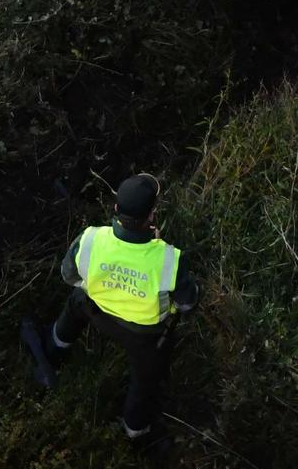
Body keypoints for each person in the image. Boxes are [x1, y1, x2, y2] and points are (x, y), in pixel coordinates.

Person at [41, 173, 198, 442]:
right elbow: (187, 303)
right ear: (152, 215)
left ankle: (54, 351)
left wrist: (106, 289)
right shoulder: (168, 259)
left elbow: (69, 276)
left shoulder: (91, 239)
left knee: (76, 301)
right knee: (145, 380)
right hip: (144, 335)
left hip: (96, 311)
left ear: (115, 209)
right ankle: (136, 432)